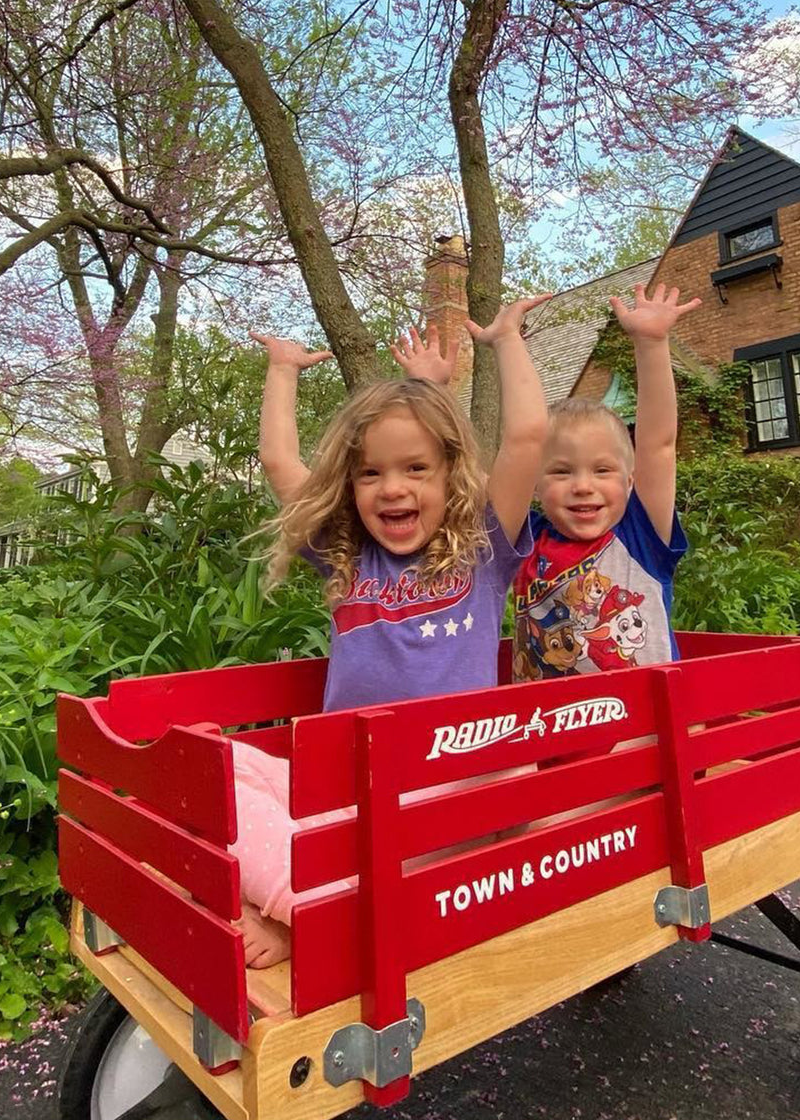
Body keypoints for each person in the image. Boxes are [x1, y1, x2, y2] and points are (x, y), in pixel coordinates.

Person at [233, 297, 550, 968]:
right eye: (370, 472)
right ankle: (306, 889)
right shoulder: (348, 556)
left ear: (450, 475)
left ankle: (298, 913)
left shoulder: (482, 547)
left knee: (477, 788)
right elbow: (280, 465)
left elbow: (527, 439)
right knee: (220, 766)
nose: (391, 488)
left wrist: (507, 339)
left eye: (414, 469)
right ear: (349, 486)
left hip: (444, 789)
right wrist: (283, 370)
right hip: (345, 788)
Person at [512, 283, 701, 683]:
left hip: (642, 734)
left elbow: (658, 446)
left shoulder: (640, 536)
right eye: (562, 471)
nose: (583, 486)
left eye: (602, 470)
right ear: (532, 483)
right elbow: (511, 446)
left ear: (631, 481)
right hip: (548, 736)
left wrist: (651, 344)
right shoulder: (523, 541)